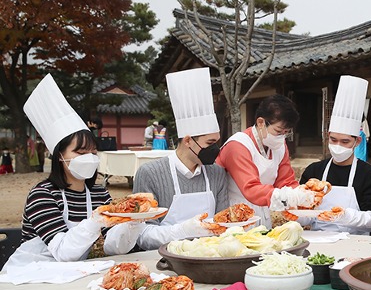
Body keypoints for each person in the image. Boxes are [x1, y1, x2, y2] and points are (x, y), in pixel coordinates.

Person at [3, 75, 139, 270]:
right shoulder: (43, 195)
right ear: (59, 156)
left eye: (93, 152)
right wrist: (96, 220)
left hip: (77, 272)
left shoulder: (99, 193)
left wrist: (132, 224)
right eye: (80, 152)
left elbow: (112, 246)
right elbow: (63, 252)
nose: (89, 158)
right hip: (33, 274)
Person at [123, 68, 230, 251]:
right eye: (210, 142)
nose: (215, 149)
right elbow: (142, 235)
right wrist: (183, 231)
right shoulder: (150, 173)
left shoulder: (217, 173)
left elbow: (223, 223)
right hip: (161, 258)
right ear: (188, 140)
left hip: (210, 254)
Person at [300, 76, 371, 235]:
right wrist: (297, 211)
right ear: (327, 135)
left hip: (356, 242)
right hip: (318, 238)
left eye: (345, 141)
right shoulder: (313, 172)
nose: (338, 146)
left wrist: (345, 216)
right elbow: (304, 215)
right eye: (333, 140)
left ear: (357, 141)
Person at [217, 94, 315, 228]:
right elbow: (250, 188)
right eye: (279, 131)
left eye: (286, 132)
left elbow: (285, 181)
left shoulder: (279, 146)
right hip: (235, 213)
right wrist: (287, 197)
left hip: (263, 210)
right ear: (261, 122)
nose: (282, 137)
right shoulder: (237, 146)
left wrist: (303, 193)